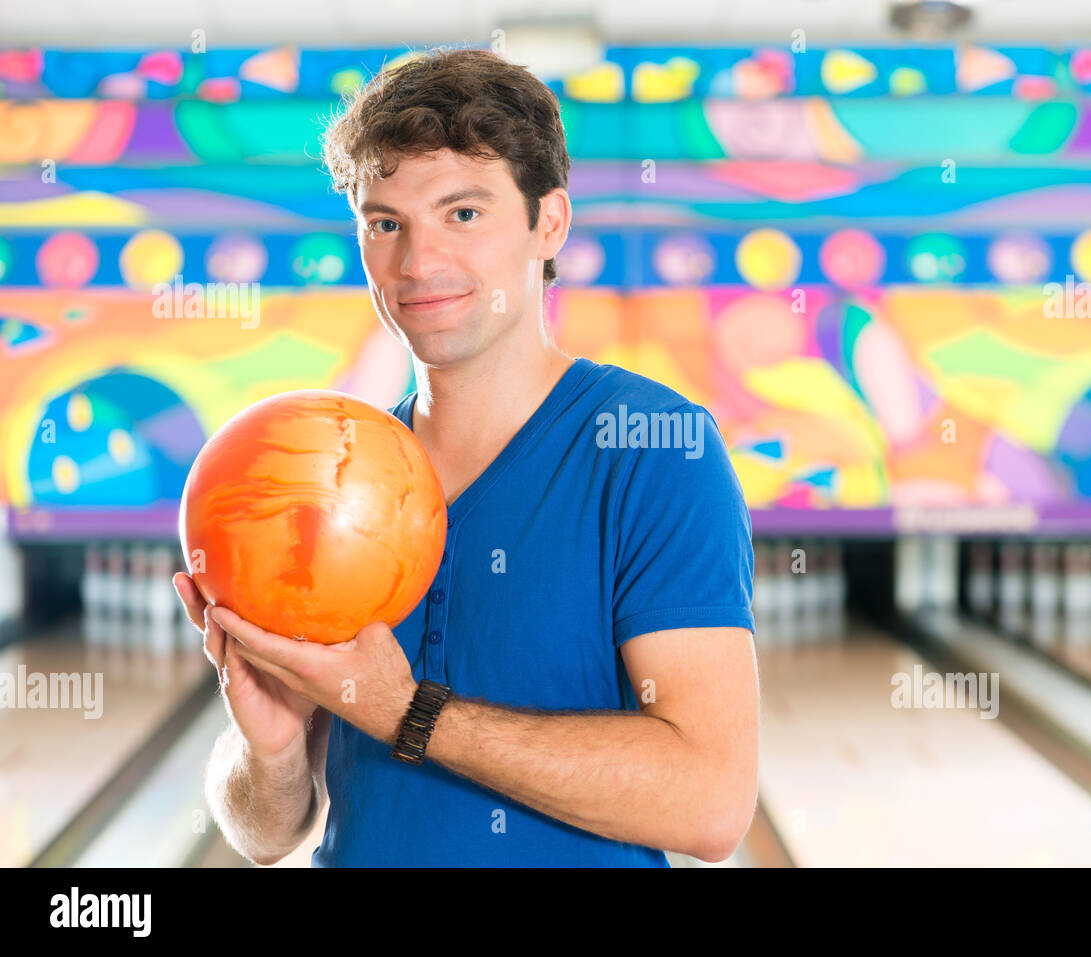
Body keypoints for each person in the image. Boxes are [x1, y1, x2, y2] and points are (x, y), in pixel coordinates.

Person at [173, 47, 758, 867]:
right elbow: (266, 834)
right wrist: (269, 748)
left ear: (548, 221)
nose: (419, 263)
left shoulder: (654, 450)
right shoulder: (326, 481)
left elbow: (711, 802)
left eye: (463, 212)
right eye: (386, 223)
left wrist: (407, 713)